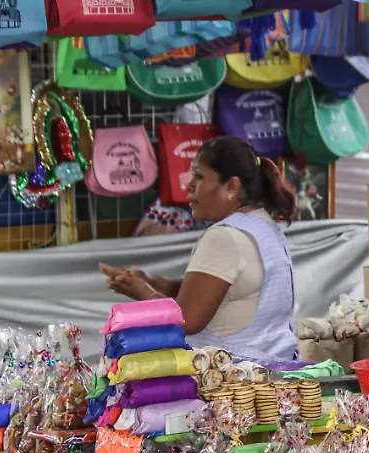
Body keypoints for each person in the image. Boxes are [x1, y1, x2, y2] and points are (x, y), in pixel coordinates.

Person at [100, 136, 300, 363]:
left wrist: (141, 292)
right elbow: (223, 292)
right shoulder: (265, 226)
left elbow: (187, 320)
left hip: (235, 381)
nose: (189, 185)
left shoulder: (223, 237)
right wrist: (153, 282)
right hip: (277, 371)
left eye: (199, 176)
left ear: (231, 187)